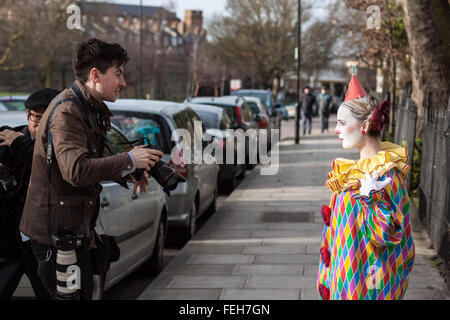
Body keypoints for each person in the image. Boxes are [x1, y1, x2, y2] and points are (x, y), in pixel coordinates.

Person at [19, 38, 163, 300]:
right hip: (55, 238)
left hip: (70, 233)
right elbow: (75, 170)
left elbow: (90, 163)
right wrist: (129, 160)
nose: (123, 82)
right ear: (95, 74)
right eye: (118, 74)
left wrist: (129, 171)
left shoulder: (87, 107)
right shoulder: (67, 111)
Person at [317, 73, 415, 300]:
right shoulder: (354, 173)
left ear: (365, 124)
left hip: (370, 288)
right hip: (345, 285)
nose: (336, 130)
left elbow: (387, 236)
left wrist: (371, 198)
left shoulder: (385, 175)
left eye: (341, 123)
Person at [0, 89, 60, 300]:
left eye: (49, 120)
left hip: (44, 244)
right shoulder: (7, 139)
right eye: (37, 119)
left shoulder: (63, 149)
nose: (42, 126)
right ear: (27, 116)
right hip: (8, 242)